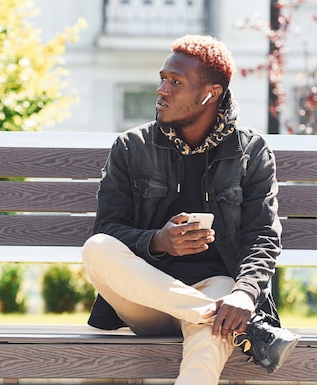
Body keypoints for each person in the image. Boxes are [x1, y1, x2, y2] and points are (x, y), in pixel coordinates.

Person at [81, 34, 299, 384]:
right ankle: (246, 328)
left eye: (175, 82)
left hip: (218, 286)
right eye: (162, 79)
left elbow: (262, 235)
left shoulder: (251, 151)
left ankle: (230, 318)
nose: (162, 89)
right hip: (146, 297)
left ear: (209, 94)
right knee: (96, 249)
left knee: (210, 343)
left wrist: (244, 295)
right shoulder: (131, 147)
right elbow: (107, 229)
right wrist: (158, 241)